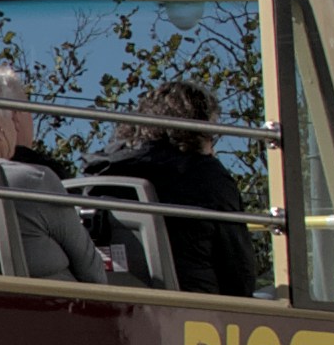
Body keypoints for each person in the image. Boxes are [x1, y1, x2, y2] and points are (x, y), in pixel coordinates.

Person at [111, 74, 265, 295]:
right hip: (199, 307)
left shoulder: (104, 172)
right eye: (212, 136)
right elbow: (240, 277)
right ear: (199, 133)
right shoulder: (207, 178)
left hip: (119, 304)